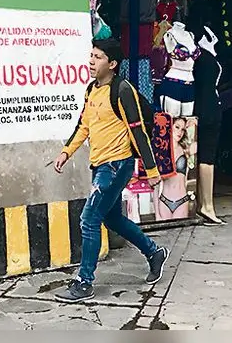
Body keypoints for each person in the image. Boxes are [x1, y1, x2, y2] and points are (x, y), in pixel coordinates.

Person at [53, 38, 170, 302]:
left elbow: (137, 130)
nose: (91, 62)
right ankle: (154, 253)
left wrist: (152, 171)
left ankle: (84, 282)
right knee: (113, 219)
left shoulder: (123, 90)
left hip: (117, 165)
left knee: (89, 218)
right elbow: (83, 125)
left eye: (98, 57)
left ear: (113, 64)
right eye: (91, 56)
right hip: (100, 165)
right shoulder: (91, 90)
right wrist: (65, 152)